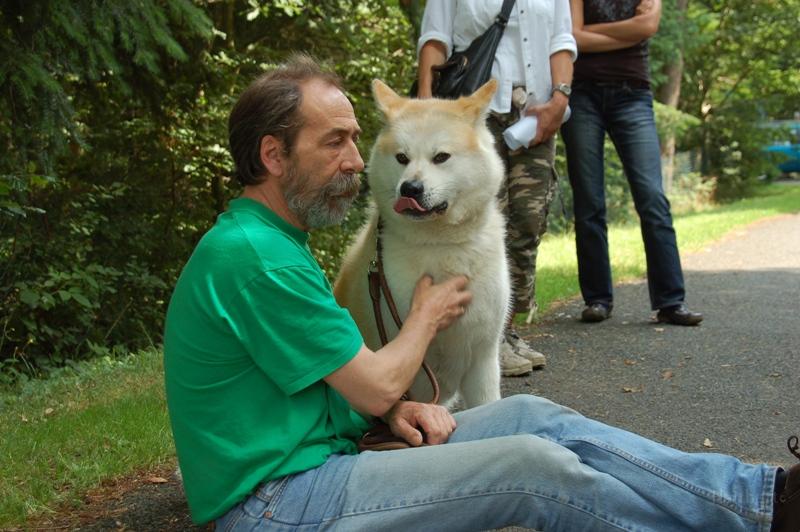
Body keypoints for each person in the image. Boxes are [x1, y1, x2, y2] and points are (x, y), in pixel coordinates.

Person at [163, 54, 799, 531]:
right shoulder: (256, 258)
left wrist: (391, 414)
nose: (359, 161)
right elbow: (380, 380)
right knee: (527, 466)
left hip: (318, 462)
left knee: (536, 417)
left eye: (358, 139)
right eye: (335, 142)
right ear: (274, 156)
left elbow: (339, 385)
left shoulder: (271, 240)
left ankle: (763, 499)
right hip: (275, 504)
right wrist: (427, 317)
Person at [416, 0, 577, 376]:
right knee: (483, 226)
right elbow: (435, 38)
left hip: (534, 116)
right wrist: (425, 104)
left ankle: (507, 330)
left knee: (528, 220)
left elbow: (562, 41)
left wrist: (560, 98)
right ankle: (483, 339)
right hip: (471, 116)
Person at [561, 0, 704, 326]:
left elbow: (647, 27)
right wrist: (627, 34)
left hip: (633, 95)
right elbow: (573, 37)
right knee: (589, 202)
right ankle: (597, 299)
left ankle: (670, 302)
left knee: (653, 198)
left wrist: (592, 34)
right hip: (581, 94)